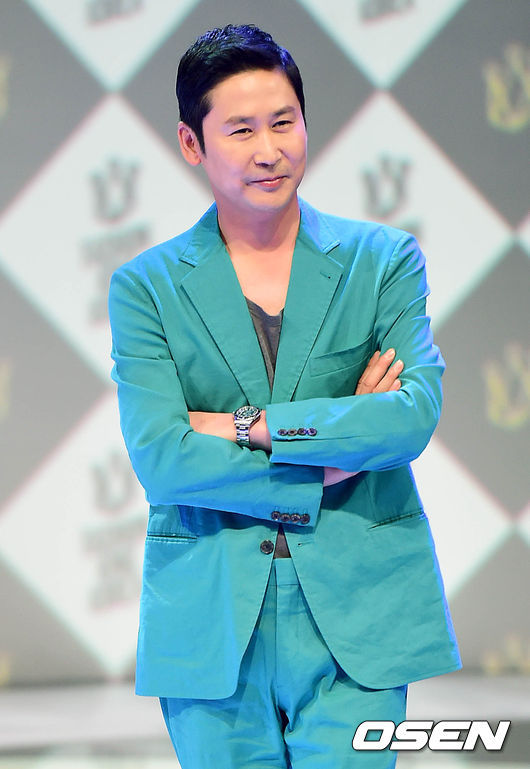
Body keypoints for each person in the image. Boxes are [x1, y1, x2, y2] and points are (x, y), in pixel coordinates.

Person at [108, 23, 461, 769]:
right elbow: (163, 459)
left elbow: (408, 417)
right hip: (212, 618)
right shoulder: (146, 287)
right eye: (241, 130)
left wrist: (242, 426)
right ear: (192, 143)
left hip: (359, 614)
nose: (269, 150)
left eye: (284, 122)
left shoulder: (381, 261)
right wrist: (329, 459)